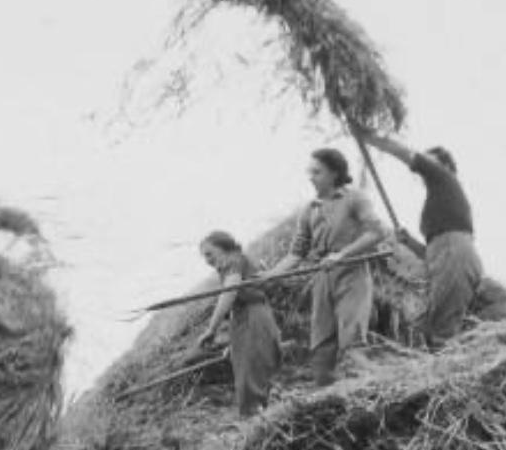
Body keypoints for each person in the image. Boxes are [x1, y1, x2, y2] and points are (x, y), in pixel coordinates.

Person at [356, 129, 482, 347]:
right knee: (432, 325)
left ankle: (444, 375)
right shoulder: (443, 200)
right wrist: (410, 243)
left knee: (441, 332)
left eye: (429, 161)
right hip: (449, 256)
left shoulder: (444, 177)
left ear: (445, 166)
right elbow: (434, 254)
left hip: (455, 255)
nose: (424, 167)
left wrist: (369, 137)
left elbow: (407, 153)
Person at [271, 148, 386, 384]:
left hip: (352, 273)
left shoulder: (354, 199)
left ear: (334, 174)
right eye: (309, 172)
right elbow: (296, 254)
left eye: (317, 172)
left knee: (351, 340)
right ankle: (324, 396)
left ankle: (363, 391)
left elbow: (377, 232)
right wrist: (271, 275)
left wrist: (342, 255)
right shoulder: (310, 209)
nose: (310, 177)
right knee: (322, 345)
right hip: (323, 277)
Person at [198, 230, 282, 417]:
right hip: (245, 318)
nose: (207, 260)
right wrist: (233, 342)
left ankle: (257, 419)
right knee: (247, 370)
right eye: (204, 257)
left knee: (251, 372)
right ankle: (259, 417)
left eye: (209, 254)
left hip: (254, 315)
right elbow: (234, 304)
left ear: (224, 248)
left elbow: (230, 293)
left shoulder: (234, 261)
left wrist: (211, 329)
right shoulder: (231, 264)